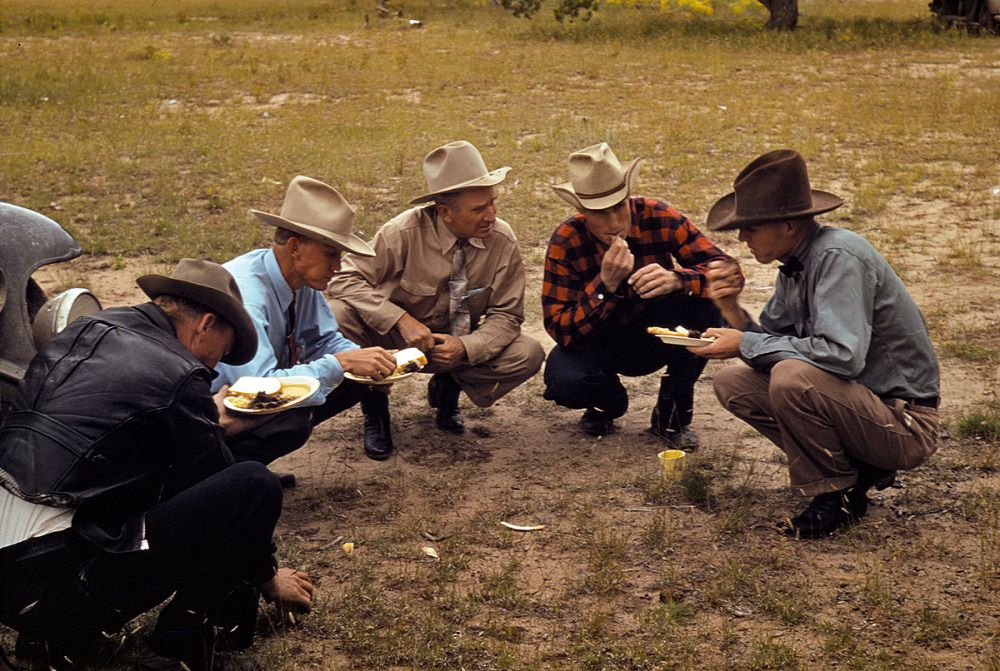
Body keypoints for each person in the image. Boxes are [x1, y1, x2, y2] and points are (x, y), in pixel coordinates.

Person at [0, 259, 313, 671]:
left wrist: (201, 416)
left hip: (11, 574)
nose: (217, 366)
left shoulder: (89, 328)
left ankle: (54, 642)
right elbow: (222, 487)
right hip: (51, 589)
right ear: (205, 323)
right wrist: (268, 577)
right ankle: (176, 650)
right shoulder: (177, 373)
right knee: (254, 486)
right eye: (224, 348)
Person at [696, 149, 940, 538]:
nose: (742, 238)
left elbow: (841, 358)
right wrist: (730, 309)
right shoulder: (795, 265)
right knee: (733, 382)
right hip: (862, 406)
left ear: (789, 225)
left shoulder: (838, 256)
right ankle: (854, 471)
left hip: (903, 422)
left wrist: (744, 342)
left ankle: (840, 496)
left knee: (792, 378)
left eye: (751, 227)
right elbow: (768, 346)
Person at [328, 140, 544, 458]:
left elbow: (507, 316)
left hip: (456, 345)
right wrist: (400, 320)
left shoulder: (501, 239)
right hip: (394, 343)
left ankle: (448, 388)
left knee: (529, 352)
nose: (491, 215)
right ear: (445, 212)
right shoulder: (401, 232)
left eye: (492, 203)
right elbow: (343, 279)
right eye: (478, 209)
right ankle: (374, 405)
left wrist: (466, 348)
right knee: (337, 314)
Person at [541, 142, 737, 449]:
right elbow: (560, 330)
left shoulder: (656, 215)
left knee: (708, 303)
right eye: (600, 213)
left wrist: (677, 279)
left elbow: (730, 273)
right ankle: (608, 404)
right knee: (565, 382)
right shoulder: (567, 240)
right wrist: (605, 287)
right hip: (599, 341)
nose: (614, 222)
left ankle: (671, 416)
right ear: (581, 211)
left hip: (657, 333)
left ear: (629, 196)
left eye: (619, 206)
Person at [213, 176, 399, 466]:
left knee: (354, 379)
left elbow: (322, 340)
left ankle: (244, 466)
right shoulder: (250, 294)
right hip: (210, 405)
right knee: (293, 420)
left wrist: (368, 358)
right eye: (330, 254)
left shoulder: (299, 278)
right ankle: (224, 473)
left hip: (247, 390)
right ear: (295, 246)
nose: (338, 267)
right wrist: (343, 363)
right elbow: (259, 387)